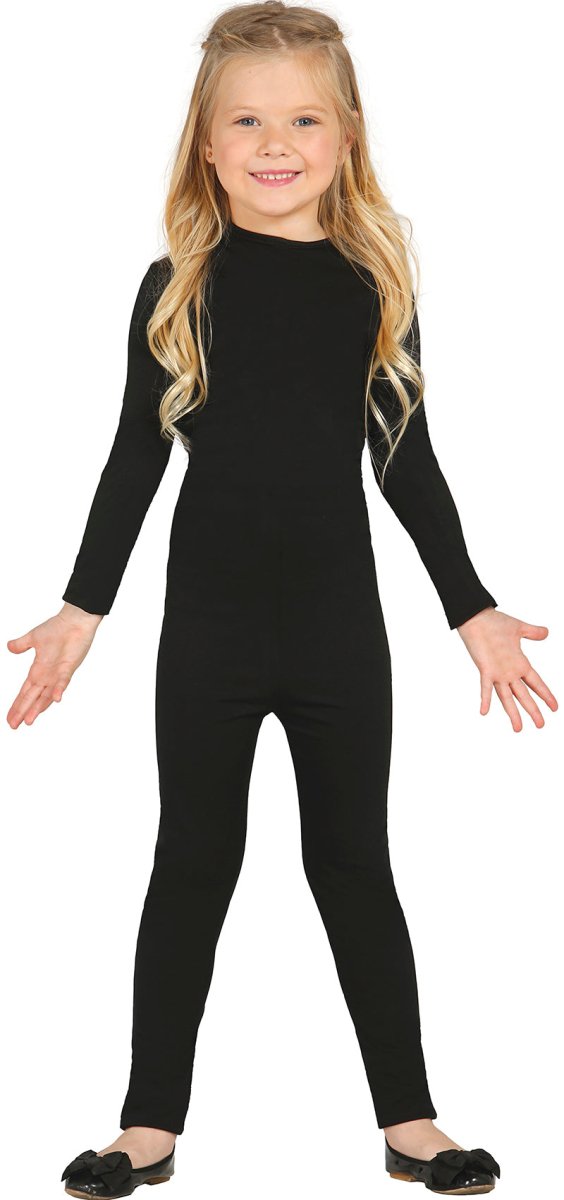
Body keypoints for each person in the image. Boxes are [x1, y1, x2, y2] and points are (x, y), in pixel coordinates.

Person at [6, 3, 558, 1197]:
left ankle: (412, 1122)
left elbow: (405, 457)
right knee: (192, 862)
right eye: (247, 122)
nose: (276, 143)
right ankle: (146, 1127)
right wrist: (81, 611)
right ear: (206, 144)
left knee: (354, 863)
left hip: (336, 634)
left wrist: (470, 608)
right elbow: (134, 456)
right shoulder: (176, 286)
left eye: (304, 120)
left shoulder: (370, 284)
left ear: (346, 135)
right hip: (207, 633)